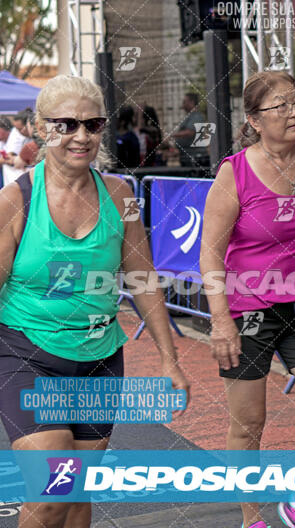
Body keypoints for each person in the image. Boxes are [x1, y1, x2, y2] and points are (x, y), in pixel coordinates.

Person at [0, 75, 189, 528]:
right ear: (42, 128)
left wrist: (170, 359)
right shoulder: (16, 200)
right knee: (53, 492)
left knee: (77, 494)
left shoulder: (120, 196)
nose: (81, 136)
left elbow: (142, 279)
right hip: (28, 352)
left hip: (99, 356)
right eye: (66, 124)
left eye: (93, 124)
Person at [200, 71, 295, 528]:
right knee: (248, 424)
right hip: (246, 311)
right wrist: (220, 320)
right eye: (280, 106)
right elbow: (209, 249)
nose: (294, 112)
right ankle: (251, 519)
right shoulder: (236, 172)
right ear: (253, 120)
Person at [173, 93, 210, 167]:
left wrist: (172, 135)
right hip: (187, 155)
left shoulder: (196, 116)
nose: (183, 104)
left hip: (195, 157)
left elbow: (190, 132)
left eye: (185, 101)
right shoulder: (190, 116)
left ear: (192, 102)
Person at [2, 108, 31, 185]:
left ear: (29, 125)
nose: (19, 132)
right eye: (17, 129)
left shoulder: (39, 137)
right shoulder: (16, 133)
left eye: (20, 129)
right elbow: (10, 157)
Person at [116, 105, 141, 169]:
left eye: (116, 119)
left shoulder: (131, 139)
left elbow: (135, 161)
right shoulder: (112, 135)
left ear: (122, 122)